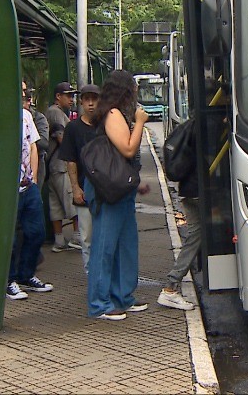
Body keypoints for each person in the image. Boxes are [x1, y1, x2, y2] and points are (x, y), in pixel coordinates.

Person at [86, 70, 150, 321]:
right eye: (133, 88)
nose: (135, 92)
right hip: (107, 190)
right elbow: (127, 147)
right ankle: (100, 303)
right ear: (125, 91)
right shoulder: (113, 114)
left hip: (121, 188)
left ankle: (122, 296)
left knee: (125, 244)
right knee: (105, 245)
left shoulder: (118, 114)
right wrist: (142, 122)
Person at [0, 86, 54, 300]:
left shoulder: (26, 116)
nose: (23, 94)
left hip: (28, 185)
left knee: (36, 231)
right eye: (20, 90)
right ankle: (8, 280)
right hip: (7, 188)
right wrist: (0, 179)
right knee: (10, 238)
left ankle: (26, 275)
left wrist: (33, 177)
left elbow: (33, 146)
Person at [58, 84, 101, 274]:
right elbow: (70, 160)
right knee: (87, 238)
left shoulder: (108, 125)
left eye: (95, 99)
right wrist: (75, 188)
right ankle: (92, 277)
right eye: (87, 99)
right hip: (84, 190)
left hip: (107, 191)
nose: (91, 104)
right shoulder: (73, 128)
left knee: (105, 237)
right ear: (81, 102)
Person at [157, 126, 200, 311]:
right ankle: (171, 287)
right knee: (196, 235)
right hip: (199, 191)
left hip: (188, 189)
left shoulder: (189, 125)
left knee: (196, 234)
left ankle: (172, 285)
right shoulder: (206, 125)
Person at [45, 81, 80, 252]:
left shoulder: (55, 112)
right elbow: (61, 138)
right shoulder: (55, 113)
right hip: (61, 164)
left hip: (53, 166)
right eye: (68, 95)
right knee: (73, 200)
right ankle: (77, 237)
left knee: (56, 205)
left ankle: (59, 240)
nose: (72, 99)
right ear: (58, 97)